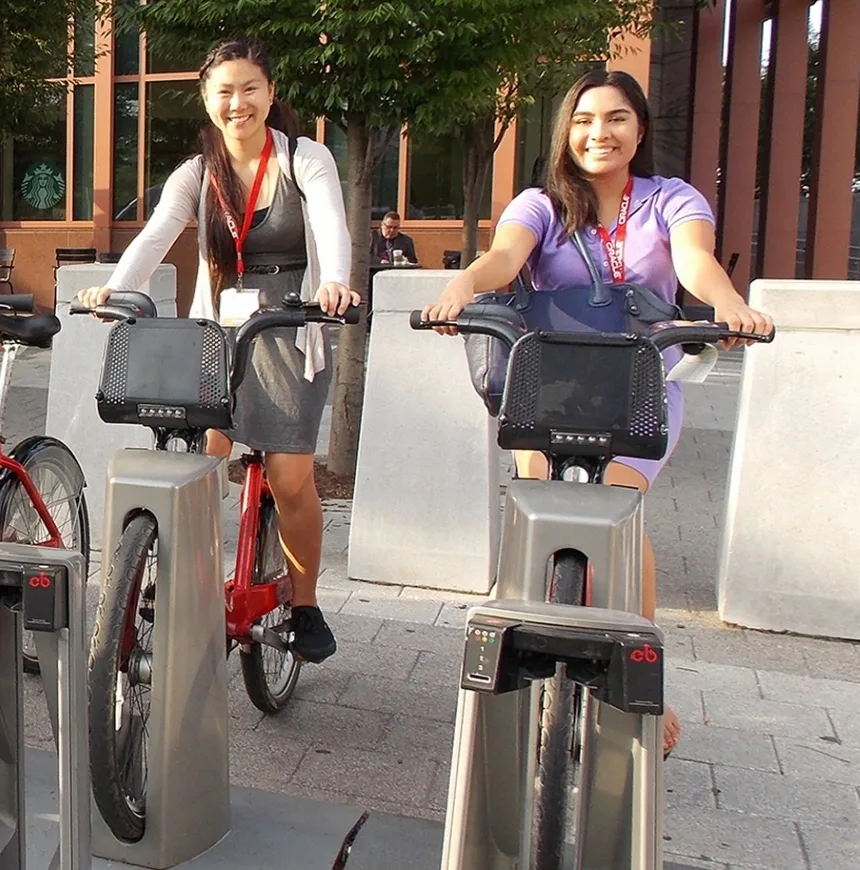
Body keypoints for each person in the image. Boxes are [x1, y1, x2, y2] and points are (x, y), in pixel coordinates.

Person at [421, 69, 774, 757]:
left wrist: (726, 302)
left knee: (619, 511)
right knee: (536, 512)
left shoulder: (672, 199)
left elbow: (696, 263)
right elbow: (504, 257)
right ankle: (514, 645)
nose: (598, 133)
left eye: (615, 119)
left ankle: (642, 672)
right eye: (584, 120)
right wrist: (463, 282)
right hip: (549, 386)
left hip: (639, 383)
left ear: (638, 130)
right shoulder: (541, 203)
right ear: (566, 130)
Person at [77, 36, 359, 664]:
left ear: (269, 93)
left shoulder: (303, 158)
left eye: (249, 89)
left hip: (291, 326)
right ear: (207, 100)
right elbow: (155, 235)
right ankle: (188, 580)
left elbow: (331, 225)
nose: (239, 103)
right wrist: (116, 289)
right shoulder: (198, 171)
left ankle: (306, 602)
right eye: (224, 92)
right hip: (219, 332)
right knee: (200, 464)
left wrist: (336, 281)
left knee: (289, 479)